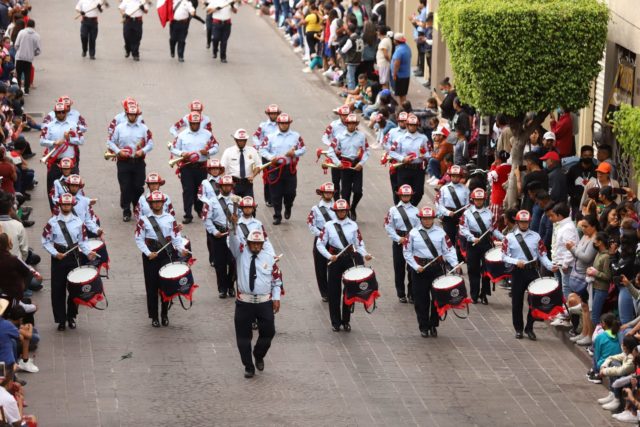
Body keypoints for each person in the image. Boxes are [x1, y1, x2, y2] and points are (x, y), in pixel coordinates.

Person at [228, 227, 282, 379]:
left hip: (264, 302)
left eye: (259, 244)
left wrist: (276, 298)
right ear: (248, 243)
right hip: (244, 303)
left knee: (269, 332)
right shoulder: (240, 253)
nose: (256, 246)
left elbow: (277, 280)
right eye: (253, 243)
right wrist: (232, 226)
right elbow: (232, 240)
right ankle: (248, 366)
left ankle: (258, 354)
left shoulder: (269, 257)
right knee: (243, 337)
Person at [41, 193, 97, 331]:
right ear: (59, 205)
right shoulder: (52, 222)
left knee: (74, 289)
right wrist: (55, 253)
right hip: (58, 258)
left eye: (68, 204)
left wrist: (88, 252)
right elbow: (45, 241)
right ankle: (61, 320)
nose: (66, 206)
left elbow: (82, 242)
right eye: (64, 204)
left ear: (72, 205)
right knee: (57, 289)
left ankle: (71, 316)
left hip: (74, 257)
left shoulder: (79, 222)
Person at [315, 199, 372, 332]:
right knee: (334, 291)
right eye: (339, 211)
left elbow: (359, 244)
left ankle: (346, 321)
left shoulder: (353, 225)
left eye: (343, 211)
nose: (341, 213)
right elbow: (320, 244)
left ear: (347, 211)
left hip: (349, 259)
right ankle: (335, 322)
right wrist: (329, 256)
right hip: (335, 260)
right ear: (335, 212)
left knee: (349, 290)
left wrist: (365, 254)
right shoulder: (328, 226)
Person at [134, 191, 188, 327]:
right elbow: (139, 239)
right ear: (150, 204)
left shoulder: (170, 218)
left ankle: (164, 314)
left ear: (163, 203)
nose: (157, 204)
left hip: (166, 254)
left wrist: (181, 249)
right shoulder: (144, 220)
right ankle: (154, 316)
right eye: (154, 202)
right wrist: (148, 253)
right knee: (151, 286)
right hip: (151, 255)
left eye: (159, 202)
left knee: (166, 285)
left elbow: (176, 238)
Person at [403, 206, 459, 337]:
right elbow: (407, 252)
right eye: (424, 218)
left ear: (433, 218)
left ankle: (433, 324)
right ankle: (423, 326)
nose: (427, 221)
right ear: (420, 219)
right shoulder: (413, 233)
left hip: (436, 269)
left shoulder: (441, 233)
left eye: (429, 218)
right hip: (420, 270)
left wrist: (455, 263)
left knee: (437, 298)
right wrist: (415, 266)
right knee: (421, 300)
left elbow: (449, 250)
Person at [502, 210, 557, 340]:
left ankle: (529, 328)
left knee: (535, 301)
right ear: (517, 222)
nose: (524, 224)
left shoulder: (536, 237)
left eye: (526, 222)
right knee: (517, 302)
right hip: (517, 271)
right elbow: (503, 256)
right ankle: (518, 329)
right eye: (522, 222)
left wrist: (550, 266)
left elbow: (542, 255)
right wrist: (516, 261)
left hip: (532, 271)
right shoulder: (509, 237)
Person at [108, 102, 154, 222]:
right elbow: (110, 142)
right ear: (127, 114)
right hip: (124, 162)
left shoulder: (144, 128)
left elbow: (150, 143)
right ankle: (126, 210)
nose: (132, 116)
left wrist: (143, 151)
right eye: (130, 114)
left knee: (138, 186)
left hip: (138, 162)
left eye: (134, 115)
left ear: (137, 115)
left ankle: (137, 206)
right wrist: (118, 151)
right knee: (125, 186)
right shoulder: (119, 128)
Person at [169, 112, 219, 224]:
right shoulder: (182, 135)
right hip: (187, 167)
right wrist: (182, 153)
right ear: (189, 122)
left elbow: (216, 146)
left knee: (200, 189)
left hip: (201, 167)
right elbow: (173, 148)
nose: (195, 125)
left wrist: (208, 152)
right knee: (188, 190)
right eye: (193, 123)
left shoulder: (207, 134)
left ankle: (199, 209)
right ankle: (188, 214)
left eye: (197, 123)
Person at [259, 113, 306, 225]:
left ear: (289, 123)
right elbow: (262, 149)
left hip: (289, 169)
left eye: (286, 123)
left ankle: (288, 207)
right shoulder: (270, 137)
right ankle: (277, 215)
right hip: (275, 168)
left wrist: (294, 153)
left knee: (291, 193)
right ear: (278, 124)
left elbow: (303, 148)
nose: (284, 125)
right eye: (282, 123)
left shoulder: (296, 136)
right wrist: (271, 157)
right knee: (276, 194)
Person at [459, 188, 504, 304]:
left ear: (484, 200)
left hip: (486, 243)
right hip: (473, 243)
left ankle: (484, 294)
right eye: (476, 199)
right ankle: (474, 295)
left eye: (481, 199)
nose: (479, 201)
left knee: (486, 270)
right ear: (473, 200)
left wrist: (503, 238)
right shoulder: (467, 213)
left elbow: (493, 229)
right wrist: (471, 237)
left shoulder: (489, 213)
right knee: (473, 269)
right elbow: (463, 228)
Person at [325, 113, 369, 220]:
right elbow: (331, 151)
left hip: (357, 165)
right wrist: (337, 163)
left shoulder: (361, 136)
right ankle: (347, 212)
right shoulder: (339, 136)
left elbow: (367, 151)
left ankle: (353, 208)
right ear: (346, 124)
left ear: (356, 124)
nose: (352, 125)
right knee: (345, 193)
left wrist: (361, 163)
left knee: (358, 191)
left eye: (354, 123)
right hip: (345, 165)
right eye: (350, 123)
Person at [202, 175, 236, 298]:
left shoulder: (237, 200)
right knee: (219, 263)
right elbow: (206, 219)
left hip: (233, 234)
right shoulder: (211, 201)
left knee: (233, 262)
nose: (227, 188)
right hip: (218, 235)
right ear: (220, 187)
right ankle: (222, 288)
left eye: (229, 185)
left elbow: (243, 217)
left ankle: (231, 286)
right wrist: (214, 231)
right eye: (224, 186)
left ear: (231, 187)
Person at [384, 184, 419, 303]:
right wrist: (398, 238)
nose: (405, 197)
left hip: (412, 243)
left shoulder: (416, 210)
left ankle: (412, 293)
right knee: (399, 268)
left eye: (408, 195)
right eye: (403, 195)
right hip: (398, 242)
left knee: (412, 268)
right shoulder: (393, 210)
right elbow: (388, 226)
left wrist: (413, 240)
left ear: (411, 196)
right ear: (399, 195)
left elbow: (419, 228)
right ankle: (401, 293)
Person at [40, 102, 83, 196]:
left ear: (66, 112)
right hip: (55, 162)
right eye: (58, 112)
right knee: (52, 190)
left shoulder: (73, 125)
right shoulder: (49, 126)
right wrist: (53, 143)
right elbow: (42, 141)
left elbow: (81, 140)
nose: (61, 114)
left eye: (63, 112)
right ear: (55, 113)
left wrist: (69, 139)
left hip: (70, 163)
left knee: (75, 191)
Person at [388, 114, 428, 205]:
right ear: (407, 125)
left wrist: (424, 155)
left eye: (414, 125)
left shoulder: (423, 138)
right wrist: (403, 158)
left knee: (418, 193)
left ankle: (412, 208)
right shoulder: (400, 138)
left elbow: (429, 152)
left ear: (417, 126)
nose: (412, 127)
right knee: (403, 192)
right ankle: (402, 209)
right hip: (404, 168)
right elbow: (391, 152)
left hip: (418, 169)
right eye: (410, 125)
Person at [308, 182, 337, 302]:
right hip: (321, 238)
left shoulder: (338, 207)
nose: (328, 194)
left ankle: (334, 290)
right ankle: (324, 292)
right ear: (322, 193)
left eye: (330, 192)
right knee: (320, 268)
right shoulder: (315, 209)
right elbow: (311, 225)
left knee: (335, 267)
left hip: (335, 240)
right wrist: (321, 234)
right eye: (326, 192)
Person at [435, 165, 469, 257]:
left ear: (460, 177)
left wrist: (464, 215)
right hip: (448, 217)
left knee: (461, 239)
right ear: (450, 176)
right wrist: (447, 212)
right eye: (453, 176)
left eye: (457, 176)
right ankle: (450, 260)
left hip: (461, 217)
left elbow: (468, 205)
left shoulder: (465, 189)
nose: (455, 178)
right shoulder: (443, 189)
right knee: (449, 239)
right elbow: (438, 204)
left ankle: (459, 259)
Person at [252, 104, 281, 207]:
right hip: (267, 155)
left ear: (278, 114)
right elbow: (255, 137)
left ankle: (278, 197)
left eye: (275, 113)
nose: (273, 115)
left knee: (279, 177)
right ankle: (269, 198)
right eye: (271, 113)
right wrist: (259, 146)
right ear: (268, 114)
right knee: (268, 177)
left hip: (279, 156)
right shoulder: (263, 125)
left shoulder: (282, 125)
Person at [221, 129, 262, 198]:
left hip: (247, 183)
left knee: (249, 204)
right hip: (232, 183)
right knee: (233, 204)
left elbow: (259, 165)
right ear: (235, 140)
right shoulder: (228, 151)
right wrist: (225, 181)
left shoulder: (252, 151)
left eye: (244, 140)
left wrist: (253, 175)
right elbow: (222, 168)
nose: (242, 142)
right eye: (240, 140)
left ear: (246, 140)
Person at [321, 105, 351, 200]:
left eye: (347, 115)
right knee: (336, 180)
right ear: (340, 115)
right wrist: (332, 146)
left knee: (346, 180)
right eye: (343, 115)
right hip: (336, 156)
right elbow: (324, 137)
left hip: (348, 156)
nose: (345, 117)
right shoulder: (333, 125)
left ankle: (345, 199)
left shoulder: (352, 125)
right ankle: (336, 200)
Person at [567, 145, 596, 218]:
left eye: (590, 155)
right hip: (576, 204)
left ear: (593, 156)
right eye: (585, 155)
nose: (587, 157)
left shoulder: (596, 170)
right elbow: (568, 184)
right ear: (581, 156)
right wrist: (574, 195)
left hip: (592, 204)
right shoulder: (573, 169)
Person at [13, 20, 39, 95]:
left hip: (20, 57)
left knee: (19, 73)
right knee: (27, 73)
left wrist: (19, 51)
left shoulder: (21, 32)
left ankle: (18, 90)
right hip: (29, 58)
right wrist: (33, 54)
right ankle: (26, 90)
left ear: (26, 25)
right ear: (34, 26)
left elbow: (16, 44)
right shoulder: (36, 35)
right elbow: (38, 49)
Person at [340, 23, 363, 91]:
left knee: (350, 78)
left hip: (351, 60)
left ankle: (351, 93)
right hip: (358, 60)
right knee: (353, 77)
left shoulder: (351, 39)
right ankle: (352, 92)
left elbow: (343, 50)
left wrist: (340, 51)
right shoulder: (360, 38)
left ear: (349, 30)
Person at [391, 33, 411, 104]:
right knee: (403, 94)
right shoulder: (407, 47)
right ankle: (403, 107)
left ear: (396, 41)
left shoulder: (399, 50)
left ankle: (402, 108)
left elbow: (397, 63)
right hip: (406, 75)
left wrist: (394, 74)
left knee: (400, 95)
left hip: (400, 76)